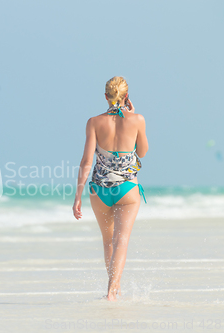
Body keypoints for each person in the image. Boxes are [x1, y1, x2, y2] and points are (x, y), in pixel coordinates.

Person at [72, 76, 149, 301]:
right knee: (121, 240)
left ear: (105, 96)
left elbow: (86, 162)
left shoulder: (93, 122)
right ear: (126, 96)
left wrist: (77, 196)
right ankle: (112, 289)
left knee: (108, 241)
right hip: (127, 189)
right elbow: (142, 152)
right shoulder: (138, 119)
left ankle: (113, 289)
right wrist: (133, 115)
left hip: (99, 190)